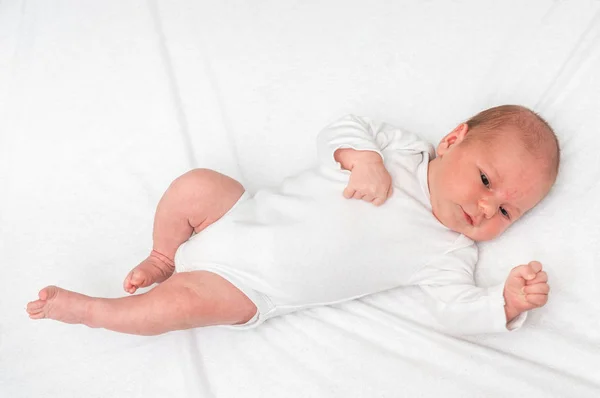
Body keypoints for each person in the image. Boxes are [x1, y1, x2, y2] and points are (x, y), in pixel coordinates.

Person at [26, 105, 559, 336]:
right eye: (487, 181)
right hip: (237, 213)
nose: (487, 208)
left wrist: (503, 303)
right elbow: (344, 124)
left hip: (251, 288)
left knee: (180, 306)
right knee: (195, 184)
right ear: (452, 140)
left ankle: (97, 311)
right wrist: (362, 157)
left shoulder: (449, 251)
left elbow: (455, 310)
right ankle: (164, 254)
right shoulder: (403, 152)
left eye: (507, 211)